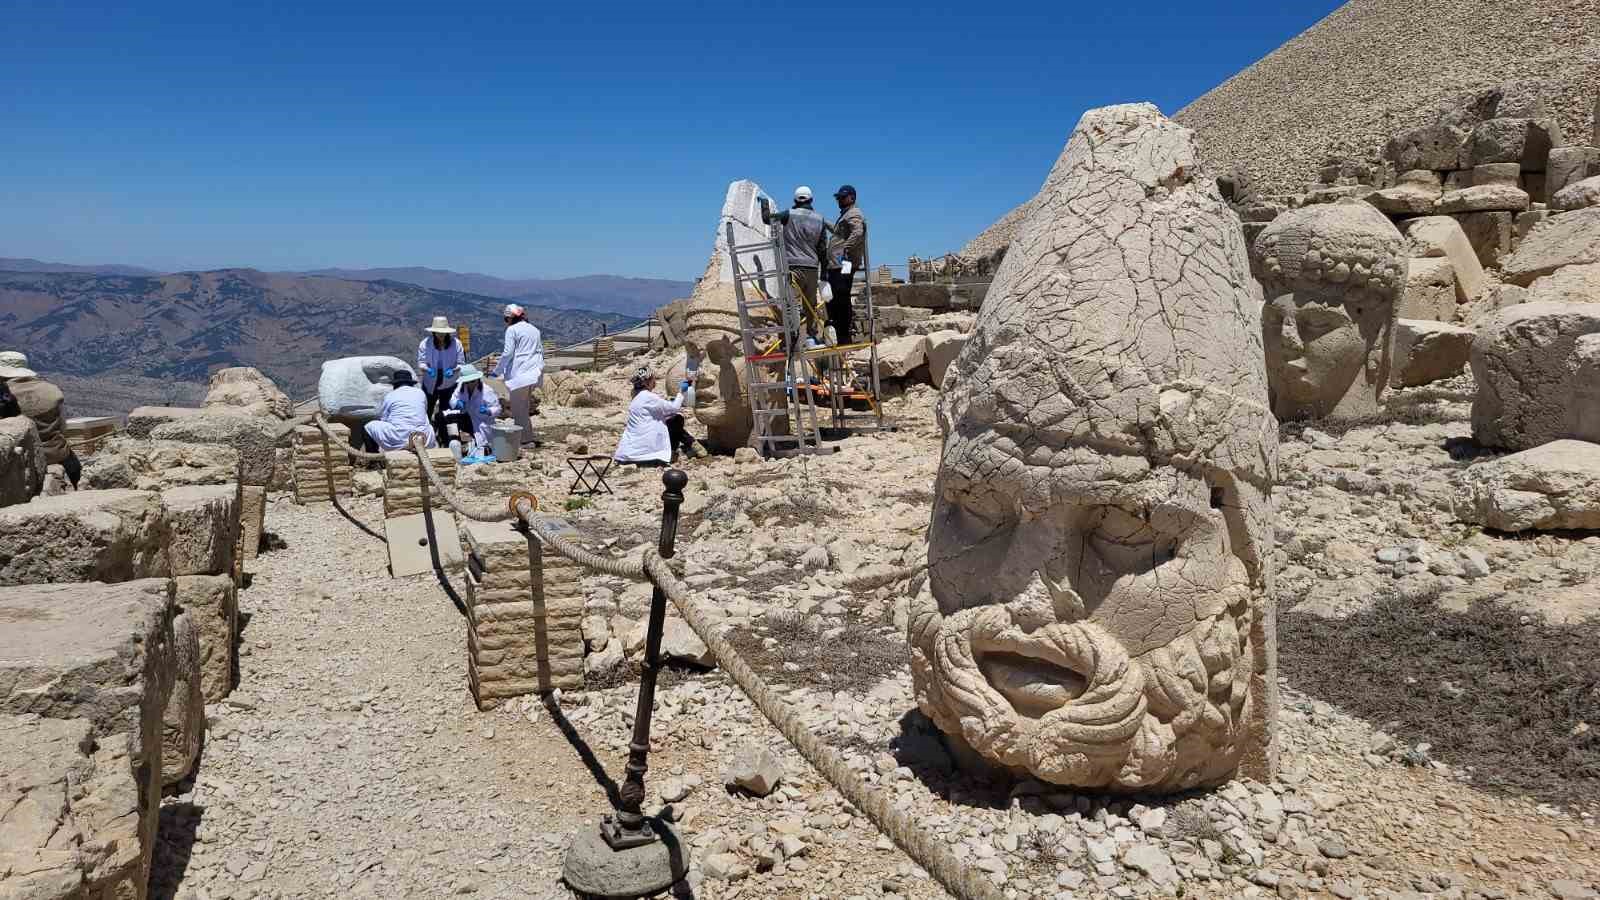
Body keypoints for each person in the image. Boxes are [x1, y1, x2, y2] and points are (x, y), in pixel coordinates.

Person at [0, 351, 80, 488]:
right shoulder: (52, 390)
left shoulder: (4, 395)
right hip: (59, 455)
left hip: (23, 462)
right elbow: (62, 428)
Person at [614, 367, 705, 467]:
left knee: (672, 420)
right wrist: (681, 391)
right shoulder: (648, 396)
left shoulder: (637, 397)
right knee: (676, 420)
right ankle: (687, 445)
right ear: (646, 382)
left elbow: (654, 414)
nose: (655, 381)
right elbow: (674, 408)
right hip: (646, 451)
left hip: (628, 451)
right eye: (653, 379)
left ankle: (690, 445)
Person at [490, 304, 544, 447]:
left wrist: (497, 370)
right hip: (535, 371)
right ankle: (527, 436)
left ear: (510, 318)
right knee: (524, 407)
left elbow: (508, 353)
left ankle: (525, 440)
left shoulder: (512, 330)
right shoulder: (534, 329)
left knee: (518, 408)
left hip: (521, 373)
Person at [782, 186, 830, 337]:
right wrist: (825, 274)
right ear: (811, 199)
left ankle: (792, 336)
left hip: (792, 267)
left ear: (795, 200)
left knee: (791, 303)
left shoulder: (788, 214)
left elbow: (767, 218)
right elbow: (823, 249)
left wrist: (764, 205)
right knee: (811, 305)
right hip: (812, 268)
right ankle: (812, 336)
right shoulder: (819, 218)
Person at [825, 184, 868, 344]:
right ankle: (840, 332)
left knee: (841, 294)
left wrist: (844, 248)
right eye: (838, 198)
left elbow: (858, 232)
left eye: (842, 197)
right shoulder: (845, 215)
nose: (839, 200)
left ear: (852, 197)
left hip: (846, 262)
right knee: (836, 295)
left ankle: (844, 335)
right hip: (838, 263)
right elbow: (838, 233)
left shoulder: (854, 213)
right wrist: (824, 222)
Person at [416, 315, 465, 445]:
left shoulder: (456, 344)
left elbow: (461, 363)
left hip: (449, 381)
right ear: (434, 332)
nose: (441, 336)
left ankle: (445, 436)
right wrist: (427, 369)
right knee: (428, 408)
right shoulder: (426, 343)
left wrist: (453, 370)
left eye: (443, 333)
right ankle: (426, 436)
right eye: (438, 333)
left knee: (446, 409)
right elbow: (421, 362)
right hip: (430, 380)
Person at [362, 368, 436, 453]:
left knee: (368, 427)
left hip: (400, 438)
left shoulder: (390, 395)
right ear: (411, 383)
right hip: (423, 437)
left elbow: (384, 418)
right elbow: (424, 412)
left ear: (395, 384)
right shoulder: (420, 393)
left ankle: (374, 461)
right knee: (428, 424)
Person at [443, 364, 500, 458]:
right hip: (466, 417)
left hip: (482, 422)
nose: (470, 384)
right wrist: (456, 403)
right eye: (467, 382)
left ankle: (476, 448)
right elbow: (453, 398)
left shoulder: (487, 391)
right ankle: (452, 444)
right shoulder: (461, 387)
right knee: (447, 421)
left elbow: (497, 408)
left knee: (481, 445)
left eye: (472, 381)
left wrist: (488, 411)